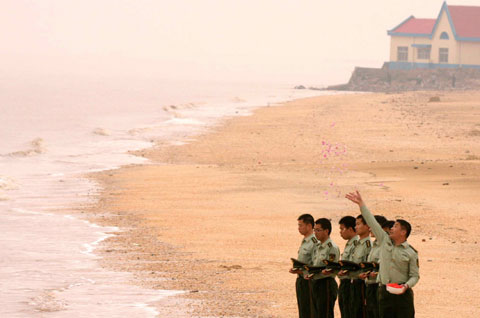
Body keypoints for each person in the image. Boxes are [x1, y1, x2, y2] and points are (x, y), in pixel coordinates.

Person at [345, 191, 419, 318]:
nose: (391, 228)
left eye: (395, 226)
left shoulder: (411, 252)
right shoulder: (384, 241)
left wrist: (406, 286)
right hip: (384, 293)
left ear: (403, 232)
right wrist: (361, 205)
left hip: (403, 295)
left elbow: (414, 276)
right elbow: (372, 222)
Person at [309, 218, 340, 318]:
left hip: (326, 283)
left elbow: (332, 267)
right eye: (314, 230)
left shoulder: (332, 247)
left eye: (318, 230)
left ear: (326, 231)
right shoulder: (317, 246)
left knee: (325, 314)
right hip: (316, 282)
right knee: (316, 313)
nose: (315, 233)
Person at [358, 215, 387, 318]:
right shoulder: (375, 244)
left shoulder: (385, 245)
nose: (370, 229)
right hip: (369, 284)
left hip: (378, 285)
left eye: (373, 226)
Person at [290, 214, 317, 318]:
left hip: (309, 280)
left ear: (309, 226)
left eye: (301, 225)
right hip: (301, 279)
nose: (299, 228)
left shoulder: (314, 242)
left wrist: (302, 271)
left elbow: (315, 264)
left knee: (309, 311)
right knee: (302, 309)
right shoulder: (305, 240)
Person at [349, 215, 372, 318]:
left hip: (362, 284)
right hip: (353, 281)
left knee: (361, 312)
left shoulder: (368, 245)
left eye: (358, 224)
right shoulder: (357, 244)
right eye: (355, 224)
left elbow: (368, 266)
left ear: (367, 226)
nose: (356, 227)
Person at [337, 216, 358, 318]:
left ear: (350, 229)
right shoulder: (350, 243)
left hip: (350, 282)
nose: (340, 232)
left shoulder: (356, 243)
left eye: (342, 229)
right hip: (344, 282)